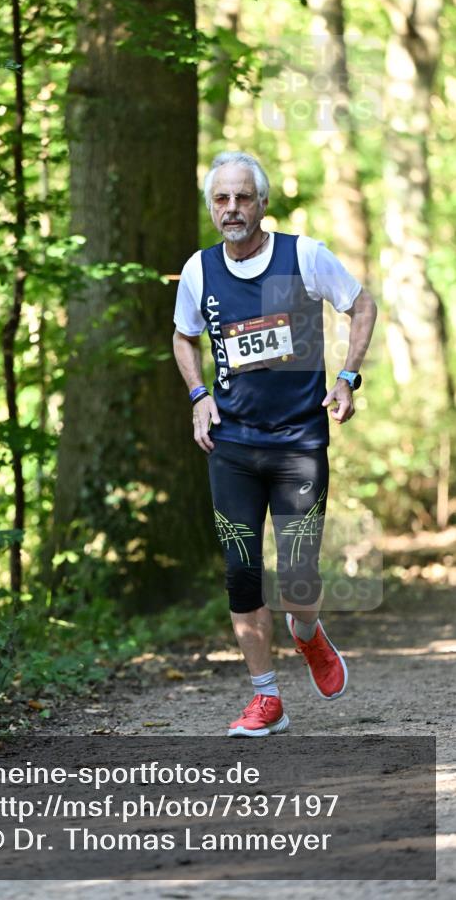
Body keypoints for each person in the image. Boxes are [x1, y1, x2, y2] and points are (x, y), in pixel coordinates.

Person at [173, 151, 377, 737]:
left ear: (262, 203)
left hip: (298, 443)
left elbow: (361, 305)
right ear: (213, 207)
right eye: (221, 199)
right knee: (241, 573)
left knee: (296, 578)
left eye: (242, 197)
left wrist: (346, 377)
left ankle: (308, 634)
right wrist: (197, 395)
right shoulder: (200, 270)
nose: (232, 208)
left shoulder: (303, 256)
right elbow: (184, 337)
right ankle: (267, 700)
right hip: (231, 444)